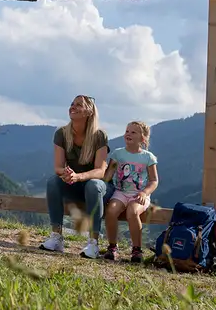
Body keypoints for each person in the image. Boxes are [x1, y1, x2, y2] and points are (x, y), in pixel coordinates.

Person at [39, 95, 110, 258]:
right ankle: (56, 237)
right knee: (52, 182)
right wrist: (66, 174)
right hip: (74, 183)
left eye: (79, 105)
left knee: (93, 185)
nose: (73, 107)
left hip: (96, 186)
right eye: (72, 104)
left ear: (89, 112)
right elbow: (58, 166)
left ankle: (93, 243)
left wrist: (78, 176)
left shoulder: (99, 136)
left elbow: (100, 171)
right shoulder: (61, 134)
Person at [102, 121, 160, 263]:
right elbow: (108, 176)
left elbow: (154, 181)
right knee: (111, 211)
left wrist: (144, 193)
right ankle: (112, 247)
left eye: (133, 132)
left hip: (139, 194)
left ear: (143, 139)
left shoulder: (148, 157)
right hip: (120, 192)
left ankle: (136, 250)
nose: (128, 134)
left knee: (132, 212)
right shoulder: (118, 154)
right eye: (127, 131)